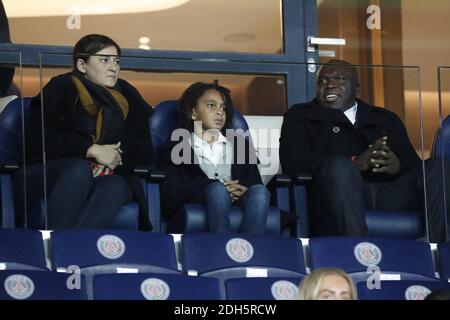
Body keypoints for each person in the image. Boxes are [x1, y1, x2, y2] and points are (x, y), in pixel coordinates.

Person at [280, 59, 448, 243]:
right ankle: (359, 251)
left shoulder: (385, 118)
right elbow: (293, 162)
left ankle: (433, 247)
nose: (330, 85)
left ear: (357, 90)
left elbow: (415, 167)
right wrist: (354, 162)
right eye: (323, 81)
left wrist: (397, 164)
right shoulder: (300, 116)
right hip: (336, 197)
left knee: (438, 166)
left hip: (389, 194)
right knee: (339, 167)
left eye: (340, 78)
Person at [14, 34, 153, 230]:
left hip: (106, 175)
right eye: (104, 60)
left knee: (117, 185)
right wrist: (91, 150)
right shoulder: (60, 88)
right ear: (82, 65)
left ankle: (66, 249)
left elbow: (145, 149)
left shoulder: (128, 95)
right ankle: (55, 245)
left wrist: (115, 156)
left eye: (117, 61)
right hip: (49, 173)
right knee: (79, 169)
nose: (114, 67)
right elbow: (38, 143)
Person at [160, 81, 270, 234]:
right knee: (217, 190)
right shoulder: (178, 144)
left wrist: (242, 189)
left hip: (238, 201)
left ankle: (252, 247)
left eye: (223, 108)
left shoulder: (239, 144)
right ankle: (221, 245)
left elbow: (254, 182)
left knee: (259, 191)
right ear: (192, 113)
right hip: (198, 200)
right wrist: (212, 186)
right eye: (211, 105)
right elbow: (171, 192)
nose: (220, 112)